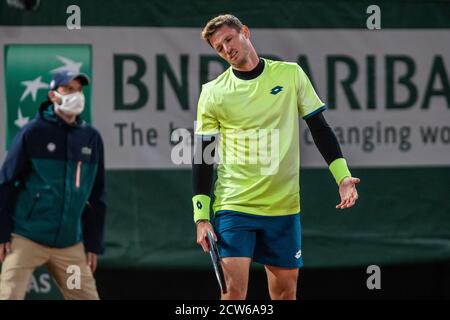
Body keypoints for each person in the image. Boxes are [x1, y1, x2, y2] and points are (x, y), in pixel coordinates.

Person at [192, 14, 360, 300]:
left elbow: (320, 129)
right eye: (219, 48)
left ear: (245, 32)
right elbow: (203, 156)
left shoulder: (290, 74)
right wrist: (201, 217)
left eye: (229, 40)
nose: (226, 49)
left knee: (284, 294)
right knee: (233, 294)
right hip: (234, 204)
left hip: (283, 207)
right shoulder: (212, 93)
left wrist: (343, 177)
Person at [0, 70, 106, 300]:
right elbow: (6, 183)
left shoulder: (91, 138)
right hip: (25, 239)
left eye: (79, 90)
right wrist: (2, 233)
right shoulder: (32, 132)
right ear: (52, 95)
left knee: (85, 297)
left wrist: (93, 243)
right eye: (68, 89)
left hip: (70, 245)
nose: (75, 95)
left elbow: (97, 195)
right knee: (9, 295)